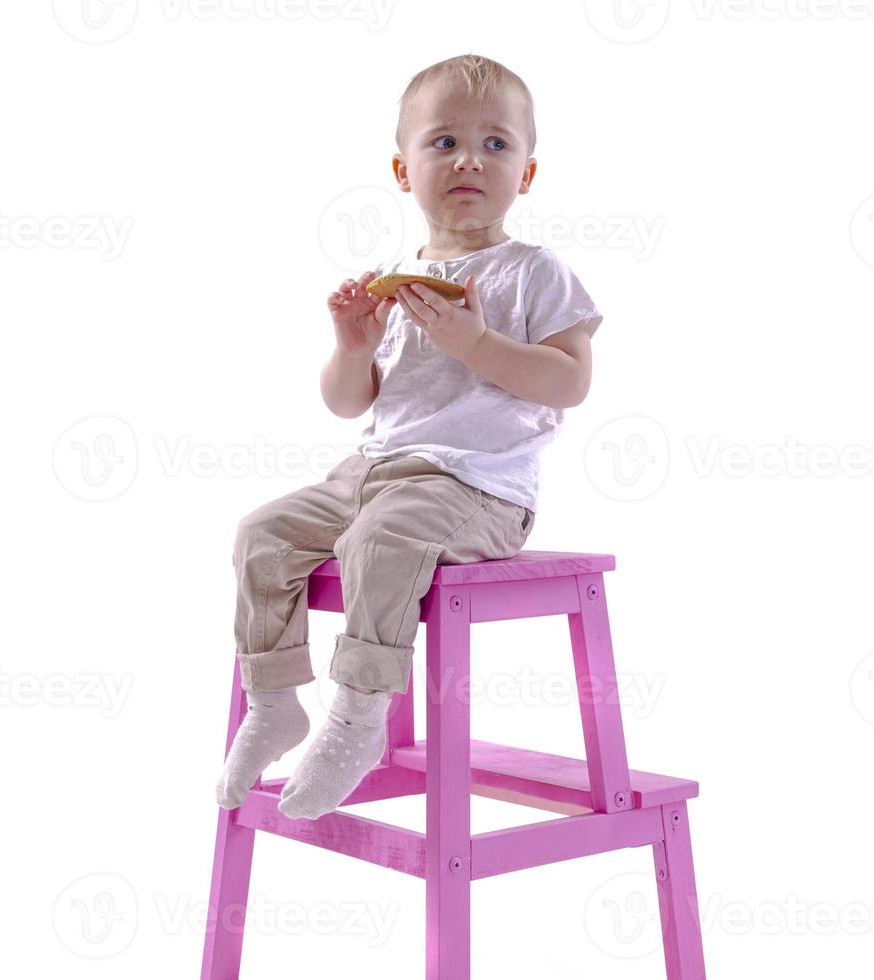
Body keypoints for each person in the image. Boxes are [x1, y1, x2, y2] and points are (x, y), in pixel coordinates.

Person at [216, 53, 604, 820]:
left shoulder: (533, 272)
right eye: (444, 142)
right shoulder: (396, 276)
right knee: (261, 534)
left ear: (525, 174)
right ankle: (275, 702)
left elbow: (571, 382)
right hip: (374, 469)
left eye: (497, 144)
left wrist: (477, 346)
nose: (469, 159)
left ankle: (359, 718)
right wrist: (353, 345)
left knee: (380, 545)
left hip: (477, 488)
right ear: (403, 169)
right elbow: (346, 401)